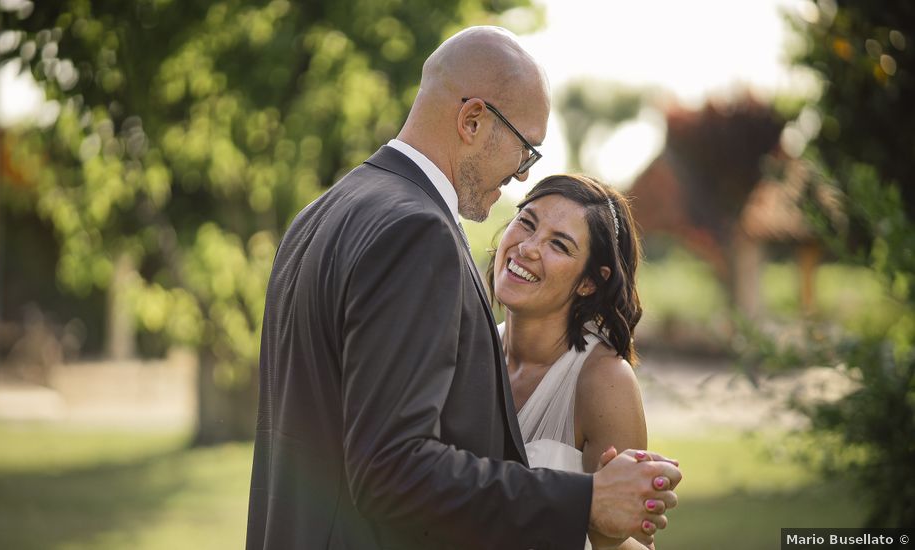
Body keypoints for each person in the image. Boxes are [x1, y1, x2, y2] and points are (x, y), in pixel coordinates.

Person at [246, 26, 681, 550]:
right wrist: (584, 501)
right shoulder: (417, 231)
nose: (522, 177)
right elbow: (390, 469)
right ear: (473, 120)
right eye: (526, 150)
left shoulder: (321, 213)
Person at [489, 174, 652, 549]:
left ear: (590, 282)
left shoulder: (605, 383)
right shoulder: (468, 346)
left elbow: (633, 540)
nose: (528, 248)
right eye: (526, 223)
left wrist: (604, 526)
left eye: (558, 245)